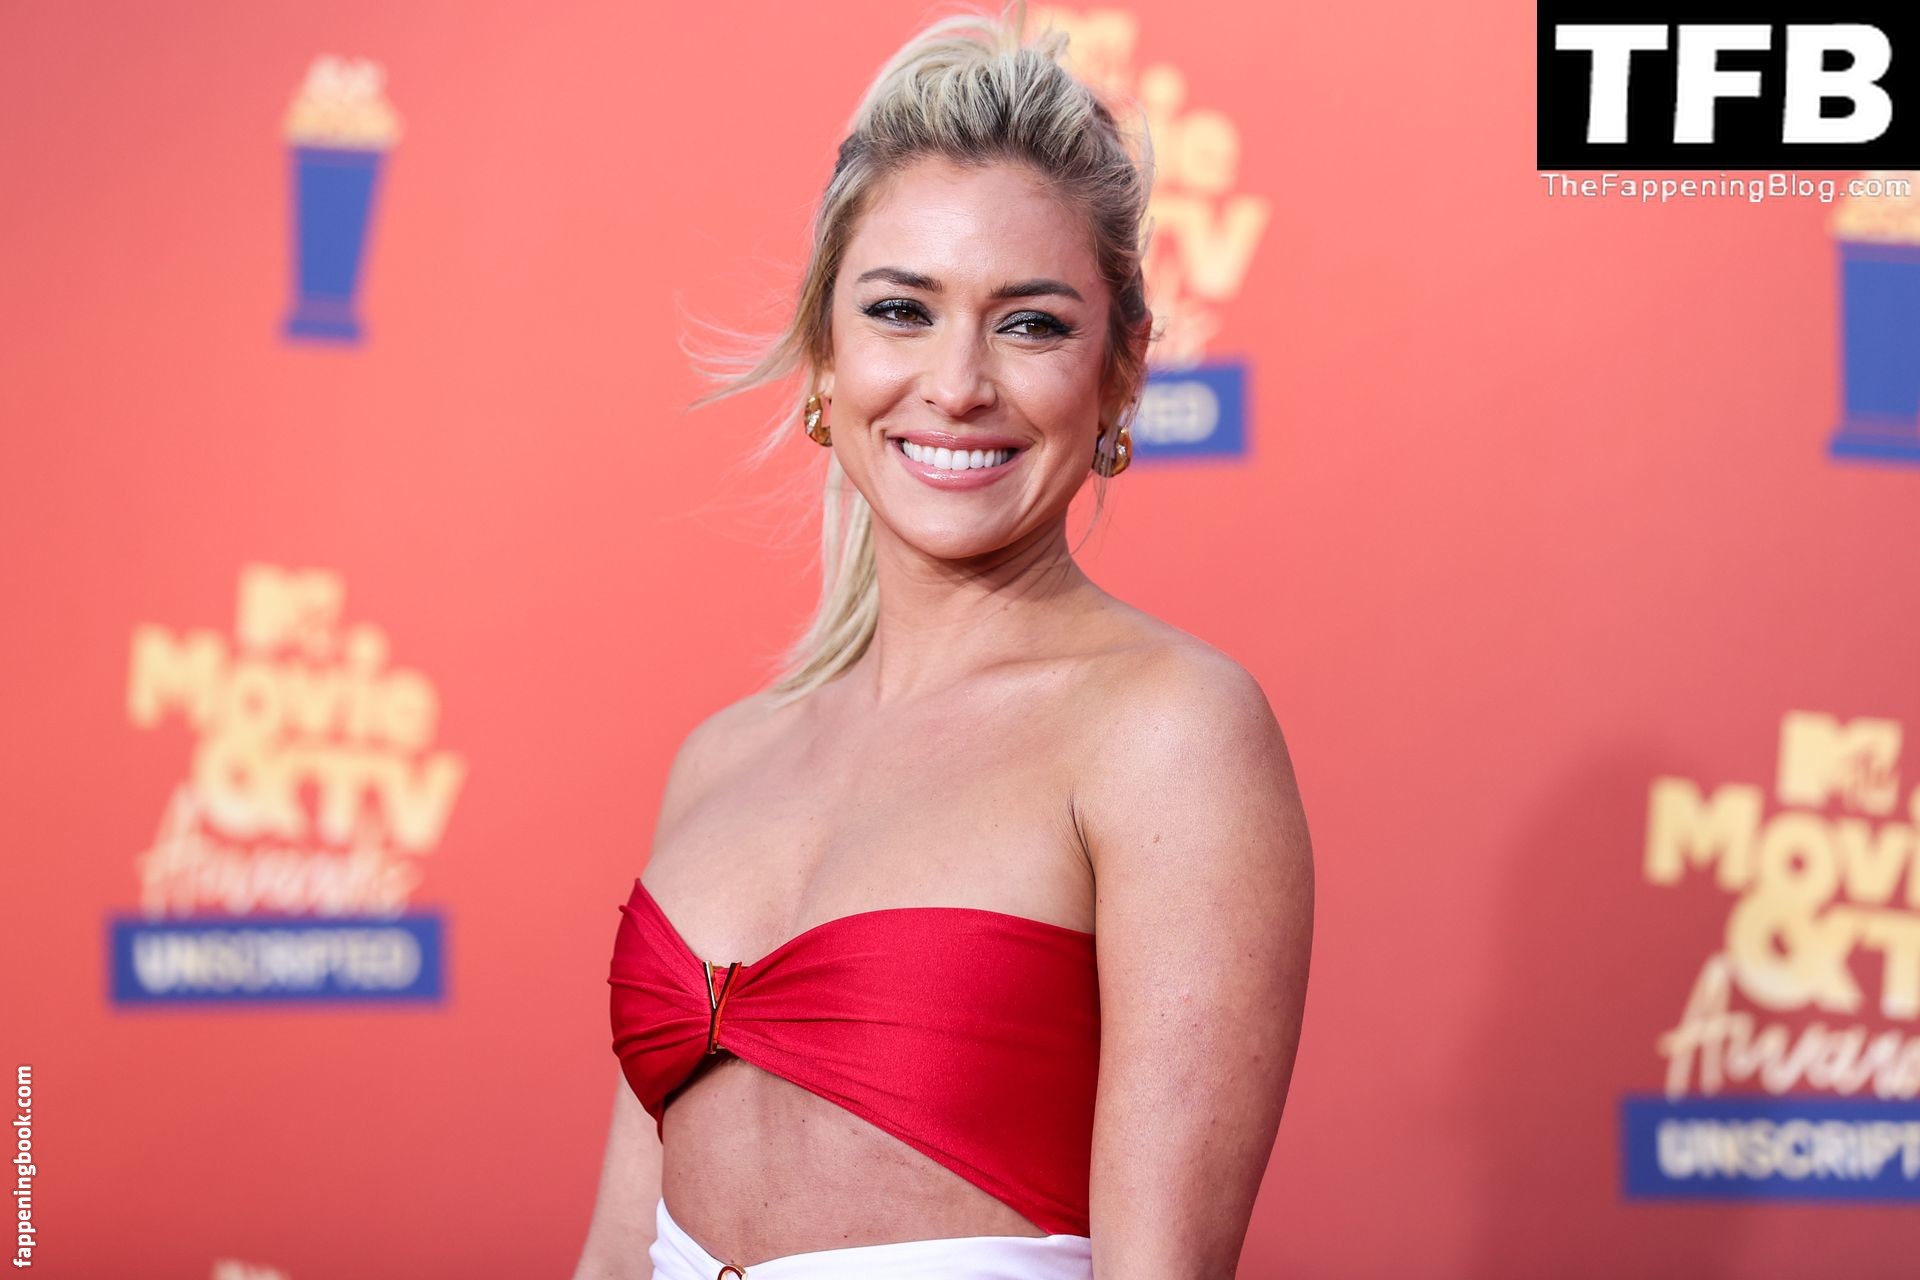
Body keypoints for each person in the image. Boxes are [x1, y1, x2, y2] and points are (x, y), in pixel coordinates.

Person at [574, 3, 1313, 1276]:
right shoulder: (719, 760)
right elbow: (612, 1251)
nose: (959, 383)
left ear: (1122, 369)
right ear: (824, 352)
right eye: (901, 310)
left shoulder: (1170, 732)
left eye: (1031, 323)